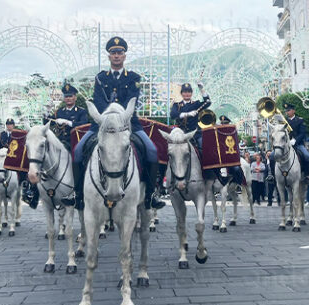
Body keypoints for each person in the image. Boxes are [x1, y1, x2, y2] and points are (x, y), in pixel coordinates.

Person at [72, 36, 164, 210]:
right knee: (77, 152)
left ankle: (151, 194)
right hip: (102, 125)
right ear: (109, 56)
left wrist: (119, 116)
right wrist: (108, 117)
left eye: (119, 52)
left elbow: (132, 101)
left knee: (152, 151)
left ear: (124, 56)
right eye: (113, 53)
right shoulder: (100, 78)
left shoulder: (134, 78)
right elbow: (98, 103)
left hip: (129, 124)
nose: (116, 56)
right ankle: (78, 195)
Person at [47, 83, 89, 150]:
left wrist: (69, 123)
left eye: (70, 96)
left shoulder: (81, 111)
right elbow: (49, 123)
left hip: (75, 142)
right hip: (60, 142)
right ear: (64, 98)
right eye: (66, 97)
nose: (68, 98)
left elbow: (84, 125)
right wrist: (47, 112)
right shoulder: (59, 111)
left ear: (75, 97)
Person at [170, 82, 210, 148]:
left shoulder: (196, 104)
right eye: (185, 92)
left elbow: (208, 102)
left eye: (189, 92)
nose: (187, 94)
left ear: (191, 93)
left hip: (195, 134)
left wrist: (201, 89)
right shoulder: (177, 105)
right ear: (181, 93)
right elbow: (173, 115)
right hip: (182, 134)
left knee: (203, 147)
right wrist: (187, 114)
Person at [283, 103, 309, 180]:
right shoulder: (283, 121)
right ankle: (272, 175)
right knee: (273, 156)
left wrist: (295, 140)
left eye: (289, 110)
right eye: (286, 111)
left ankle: (307, 175)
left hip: (298, 144)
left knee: (307, 156)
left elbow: (302, 133)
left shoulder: (300, 120)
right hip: (286, 145)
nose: (287, 112)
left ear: (293, 111)